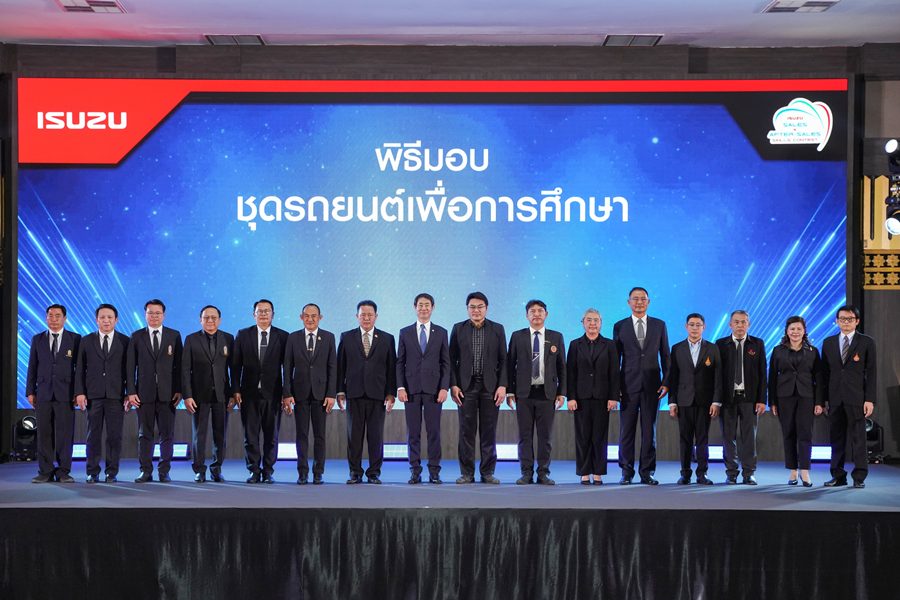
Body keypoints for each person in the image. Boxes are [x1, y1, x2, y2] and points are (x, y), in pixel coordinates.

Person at [612, 287, 670, 485]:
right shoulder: (620, 326)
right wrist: (616, 387)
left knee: (649, 431)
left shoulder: (659, 325)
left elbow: (665, 355)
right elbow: (616, 360)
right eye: (635, 299)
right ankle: (626, 472)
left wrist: (666, 382)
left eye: (643, 299)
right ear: (629, 302)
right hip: (627, 386)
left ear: (648, 302)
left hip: (652, 386)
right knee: (626, 431)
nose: (639, 302)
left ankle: (647, 472)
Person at [449, 291, 508, 484]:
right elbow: (451, 359)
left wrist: (502, 385)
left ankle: (487, 472)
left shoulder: (497, 329)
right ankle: (467, 473)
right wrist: (453, 385)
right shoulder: (458, 328)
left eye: (480, 307)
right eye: (472, 307)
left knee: (488, 431)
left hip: (490, 387)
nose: (476, 310)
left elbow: (504, 360)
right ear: (467, 309)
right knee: (466, 431)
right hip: (465, 387)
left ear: (486, 308)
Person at [336, 300, 397, 484]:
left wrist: (391, 393)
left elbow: (391, 368)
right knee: (353, 437)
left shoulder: (387, 338)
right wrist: (340, 391)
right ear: (357, 316)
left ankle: (374, 473)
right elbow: (340, 366)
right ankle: (355, 472)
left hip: (378, 394)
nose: (366, 318)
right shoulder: (346, 337)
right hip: (353, 393)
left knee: (375, 437)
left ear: (376, 316)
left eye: (370, 315)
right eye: (363, 315)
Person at [506, 299, 566, 485]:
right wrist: (510, 392)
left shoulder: (556, 337)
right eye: (532, 311)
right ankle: (526, 472)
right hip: (523, 394)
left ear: (546, 314)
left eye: (540, 311)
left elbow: (562, 367)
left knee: (545, 437)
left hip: (547, 394)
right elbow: (510, 365)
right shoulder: (517, 336)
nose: (537, 314)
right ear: (527, 315)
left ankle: (543, 473)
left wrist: (562, 392)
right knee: (524, 436)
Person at [126, 299, 183, 483]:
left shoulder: (174, 335)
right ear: (145, 315)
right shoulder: (136, 336)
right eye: (150, 313)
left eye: (158, 313)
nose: (154, 316)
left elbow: (179, 366)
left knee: (167, 435)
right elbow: (130, 367)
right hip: (144, 394)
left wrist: (179, 389)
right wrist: (131, 391)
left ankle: (164, 471)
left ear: (163, 315)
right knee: (145, 434)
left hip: (168, 394)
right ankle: (145, 471)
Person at [232, 299, 289, 484]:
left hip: (273, 394)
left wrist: (286, 393)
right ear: (253, 314)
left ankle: (268, 471)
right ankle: (254, 471)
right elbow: (235, 365)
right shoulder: (243, 334)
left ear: (273, 314)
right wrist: (235, 390)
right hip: (248, 394)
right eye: (260, 311)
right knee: (250, 436)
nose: (263, 314)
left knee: (271, 436)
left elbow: (287, 368)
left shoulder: (283, 336)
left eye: (267, 311)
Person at [396, 293, 451, 484]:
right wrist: (400, 387)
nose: (423, 308)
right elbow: (400, 362)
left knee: (434, 432)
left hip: (434, 390)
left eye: (427, 305)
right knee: (413, 433)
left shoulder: (441, 332)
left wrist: (444, 388)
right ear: (415, 307)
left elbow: (446, 363)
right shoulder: (405, 332)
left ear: (432, 307)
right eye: (420, 305)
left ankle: (434, 471)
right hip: (410, 389)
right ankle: (415, 470)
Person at [820, 305, 876, 489]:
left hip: (857, 399)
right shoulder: (828, 342)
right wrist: (823, 400)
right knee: (836, 440)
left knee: (859, 439)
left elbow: (871, 373)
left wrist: (870, 399)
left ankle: (859, 476)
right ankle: (838, 476)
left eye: (850, 319)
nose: (846, 322)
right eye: (842, 319)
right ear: (837, 321)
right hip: (835, 398)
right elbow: (824, 374)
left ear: (857, 321)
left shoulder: (867, 342)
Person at [25, 304, 81, 483]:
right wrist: (30, 391)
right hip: (43, 393)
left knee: (65, 434)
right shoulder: (37, 339)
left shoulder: (75, 339)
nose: (54, 319)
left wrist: (78, 392)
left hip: (66, 393)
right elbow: (32, 366)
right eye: (50, 315)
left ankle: (63, 471)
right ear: (46, 318)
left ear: (65, 319)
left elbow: (79, 369)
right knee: (44, 434)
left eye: (58, 316)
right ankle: (45, 471)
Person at [283, 303, 337, 485]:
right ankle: (302, 472)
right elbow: (287, 367)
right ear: (301, 317)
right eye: (307, 316)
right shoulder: (293, 338)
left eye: (314, 316)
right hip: (299, 394)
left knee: (320, 436)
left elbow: (332, 367)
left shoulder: (328, 337)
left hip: (321, 395)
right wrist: (287, 393)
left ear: (320, 317)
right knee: (302, 435)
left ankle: (318, 472)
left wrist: (331, 394)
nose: (310, 319)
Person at [74, 303, 129, 483]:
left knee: (114, 436)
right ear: (96, 320)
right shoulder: (86, 340)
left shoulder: (125, 341)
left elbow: (129, 370)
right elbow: (79, 369)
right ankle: (92, 471)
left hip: (116, 395)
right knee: (93, 436)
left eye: (109, 317)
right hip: (93, 395)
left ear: (116, 320)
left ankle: (111, 472)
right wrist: (80, 392)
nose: (106, 320)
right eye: (102, 317)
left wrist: (129, 393)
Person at [768, 316, 823, 487]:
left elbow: (819, 378)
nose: (795, 332)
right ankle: (792, 470)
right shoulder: (778, 350)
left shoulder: (813, 351)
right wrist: (772, 402)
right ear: (786, 331)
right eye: (792, 329)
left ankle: (805, 471)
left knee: (805, 434)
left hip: (807, 396)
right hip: (784, 397)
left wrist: (819, 402)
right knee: (789, 433)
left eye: (799, 329)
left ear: (804, 331)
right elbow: (772, 378)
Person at [566, 308, 619, 485]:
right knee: (582, 436)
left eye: (596, 320)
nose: (592, 323)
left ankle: (598, 472)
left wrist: (614, 397)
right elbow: (570, 373)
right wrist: (571, 397)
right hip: (580, 398)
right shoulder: (575, 344)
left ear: (601, 323)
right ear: (583, 323)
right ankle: (584, 472)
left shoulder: (610, 345)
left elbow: (614, 373)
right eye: (589, 320)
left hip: (602, 398)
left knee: (599, 437)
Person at [667, 313, 721, 485]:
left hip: (705, 402)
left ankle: (702, 474)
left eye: (698, 325)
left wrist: (716, 401)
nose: (695, 328)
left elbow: (718, 377)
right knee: (685, 439)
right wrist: (672, 401)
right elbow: (673, 377)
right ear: (686, 327)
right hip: (683, 401)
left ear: (704, 327)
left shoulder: (712, 348)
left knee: (703, 439)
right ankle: (685, 474)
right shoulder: (677, 348)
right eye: (692, 324)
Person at [182, 305, 234, 483]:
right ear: (200, 320)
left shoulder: (228, 338)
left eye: (213, 317)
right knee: (199, 435)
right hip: (199, 396)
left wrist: (233, 394)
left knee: (220, 435)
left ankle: (216, 468)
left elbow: (233, 369)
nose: (210, 321)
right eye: (206, 318)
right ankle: (199, 470)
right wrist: (187, 395)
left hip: (222, 395)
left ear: (219, 320)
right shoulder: (191, 339)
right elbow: (185, 370)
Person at [716, 310, 767, 485]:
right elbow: (717, 375)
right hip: (727, 399)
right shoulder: (721, 344)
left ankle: (748, 473)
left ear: (748, 324)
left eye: (743, 322)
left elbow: (763, 373)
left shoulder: (757, 344)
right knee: (728, 438)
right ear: (730, 324)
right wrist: (716, 400)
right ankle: (731, 473)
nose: (740, 325)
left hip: (749, 399)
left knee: (749, 438)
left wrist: (762, 399)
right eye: (736, 322)